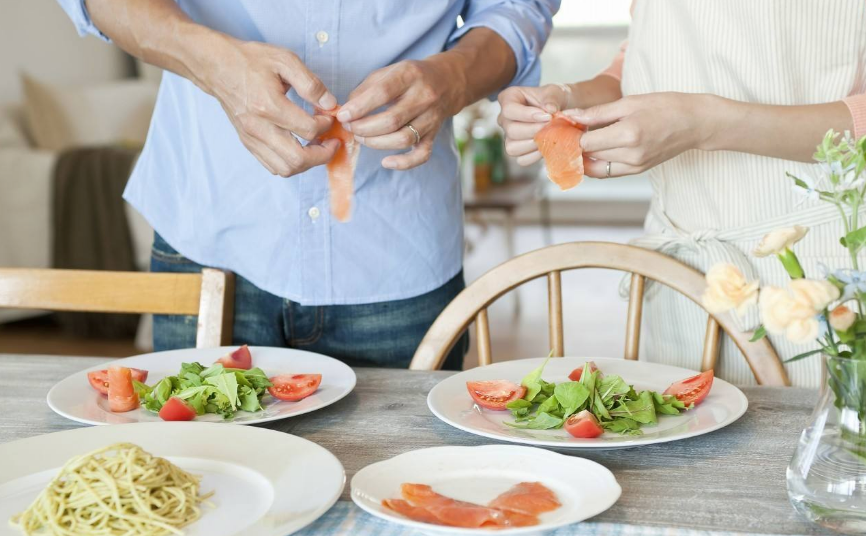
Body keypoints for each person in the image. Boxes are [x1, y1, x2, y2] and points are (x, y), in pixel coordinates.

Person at [57, 0, 560, 369]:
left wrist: (454, 75)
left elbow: (519, 6)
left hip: (396, 250)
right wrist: (215, 64)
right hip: (210, 231)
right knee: (206, 491)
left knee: (405, 494)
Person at [498, 0, 866, 387]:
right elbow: (647, 56)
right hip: (683, 273)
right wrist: (569, 98)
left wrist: (703, 125)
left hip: (816, 269)